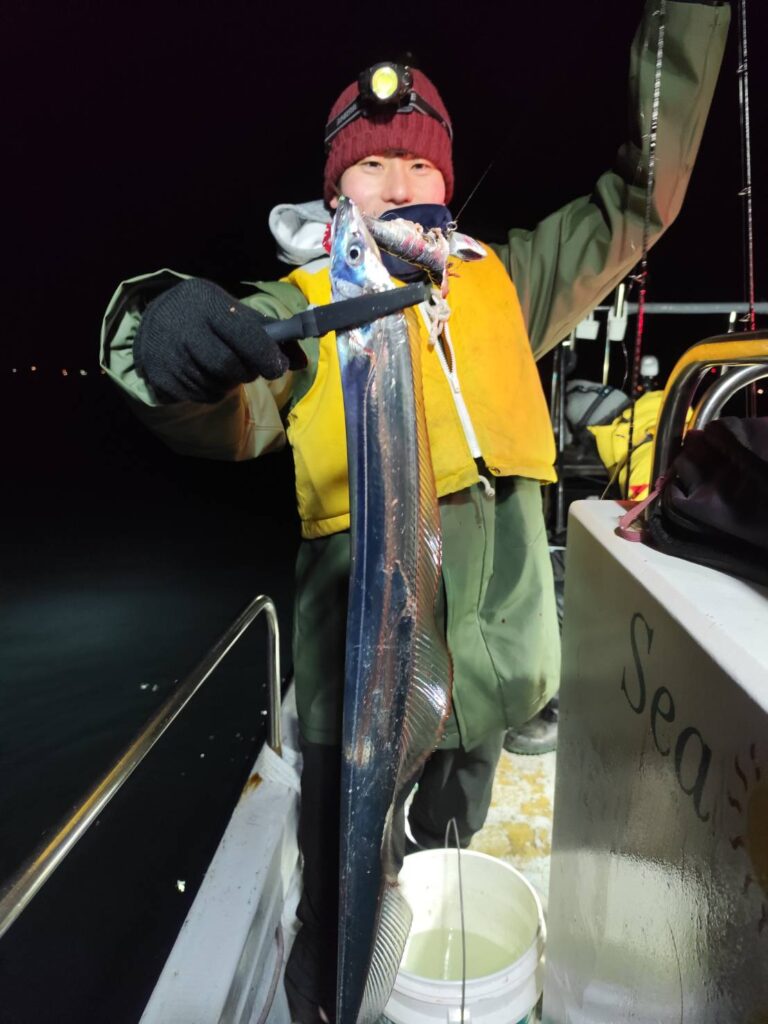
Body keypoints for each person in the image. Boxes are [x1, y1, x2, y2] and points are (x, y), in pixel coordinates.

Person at [99, 3, 730, 1019]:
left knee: (446, 852)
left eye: (419, 166)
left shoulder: (509, 282)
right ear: (333, 191)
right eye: (370, 166)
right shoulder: (313, 305)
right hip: (358, 702)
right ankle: (336, 982)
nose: (399, 186)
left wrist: (690, 21)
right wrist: (163, 335)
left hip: (492, 683)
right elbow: (208, 385)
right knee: (344, 889)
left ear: (447, 180)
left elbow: (638, 203)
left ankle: (424, 933)